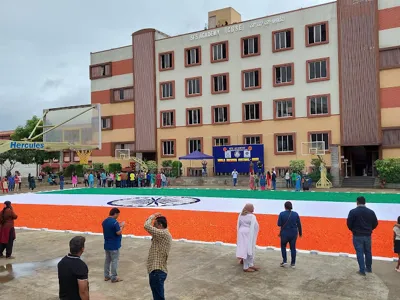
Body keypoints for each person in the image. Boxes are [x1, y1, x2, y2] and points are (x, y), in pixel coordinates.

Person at [347, 196, 378, 276]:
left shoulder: (353, 212)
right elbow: (375, 223)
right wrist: (369, 229)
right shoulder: (371, 212)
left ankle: (362, 270)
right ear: (365, 202)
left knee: (359, 252)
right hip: (367, 234)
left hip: (357, 235)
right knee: (368, 251)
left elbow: (349, 223)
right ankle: (369, 268)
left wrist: (353, 230)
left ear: (357, 202)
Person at [144, 213, 172, 300]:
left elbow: (146, 226)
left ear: (160, 225)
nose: (153, 226)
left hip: (157, 271)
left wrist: (152, 216)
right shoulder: (162, 234)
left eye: (155, 224)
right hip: (157, 270)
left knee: (158, 297)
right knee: (157, 296)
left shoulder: (162, 233)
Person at [102, 208, 124, 283]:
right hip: (114, 245)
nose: (118, 216)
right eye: (117, 214)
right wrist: (122, 227)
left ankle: (106, 275)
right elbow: (118, 232)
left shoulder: (104, 221)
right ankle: (114, 277)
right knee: (115, 261)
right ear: (115, 214)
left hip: (107, 244)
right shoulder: (114, 222)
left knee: (107, 260)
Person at [278, 201, 302, 268]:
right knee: (293, 248)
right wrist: (300, 233)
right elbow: (299, 224)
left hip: (284, 233)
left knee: (283, 247)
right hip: (293, 233)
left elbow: (279, 224)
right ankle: (293, 263)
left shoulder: (282, 214)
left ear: (285, 207)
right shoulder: (295, 214)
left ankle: (285, 261)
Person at [236, 203, 259, 272]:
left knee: (244, 248)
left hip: (241, 232)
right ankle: (246, 267)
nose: (253, 209)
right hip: (249, 233)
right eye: (252, 207)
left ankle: (250, 264)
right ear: (250, 209)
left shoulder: (241, 214)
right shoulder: (252, 216)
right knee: (248, 249)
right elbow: (255, 226)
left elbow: (238, 224)